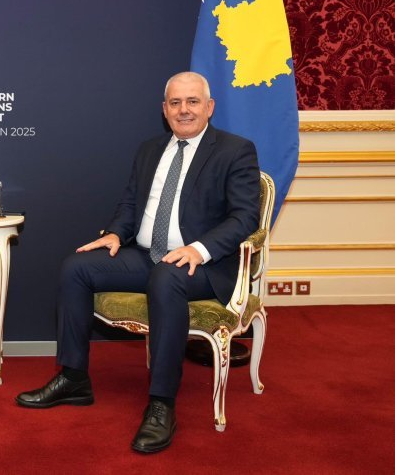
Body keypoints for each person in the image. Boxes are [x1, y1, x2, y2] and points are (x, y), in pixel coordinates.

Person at [15, 71, 260, 453]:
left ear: (209, 107)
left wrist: (199, 248)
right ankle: (74, 378)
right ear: (164, 110)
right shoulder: (149, 149)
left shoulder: (235, 150)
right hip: (146, 256)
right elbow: (131, 203)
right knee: (76, 267)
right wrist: (115, 233)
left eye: (192, 101)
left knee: (166, 277)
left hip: (201, 267)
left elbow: (245, 217)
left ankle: (162, 404)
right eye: (175, 103)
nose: (184, 110)